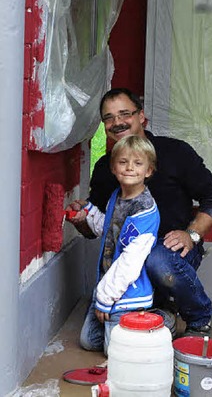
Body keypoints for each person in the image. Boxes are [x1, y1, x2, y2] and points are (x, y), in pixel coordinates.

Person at [67, 88, 212, 337]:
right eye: (108, 117)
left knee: (157, 259)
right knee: (91, 338)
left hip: (170, 254)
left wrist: (192, 235)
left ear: (142, 116)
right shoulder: (105, 168)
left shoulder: (176, 152)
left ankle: (200, 316)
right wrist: (82, 219)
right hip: (125, 258)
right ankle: (160, 315)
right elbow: (98, 227)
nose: (117, 122)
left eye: (124, 114)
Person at [76, 135, 160, 355]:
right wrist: (89, 213)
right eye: (123, 162)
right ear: (114, 168)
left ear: (149, 171)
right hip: (107, 284)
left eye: (138, 163)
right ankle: (125, 324)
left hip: (128, 294)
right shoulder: (117, 196)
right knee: (88, 341)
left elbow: (129, 263)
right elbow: (111, 229)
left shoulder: (145, 210)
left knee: (114, 353)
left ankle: (159, 320)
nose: (130, 168)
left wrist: (104, 300)